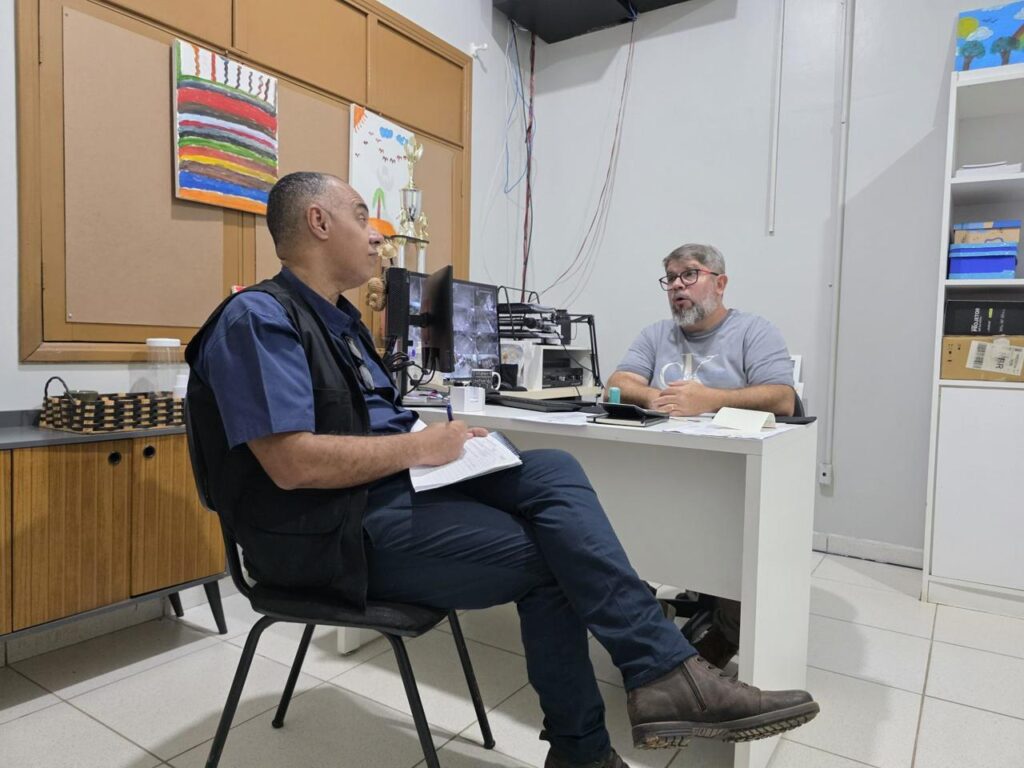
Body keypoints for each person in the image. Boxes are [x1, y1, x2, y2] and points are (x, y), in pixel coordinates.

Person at [186, 174, 818, 768]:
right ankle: (606, 731)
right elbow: (291, 463)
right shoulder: (259, 319)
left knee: (552, 468)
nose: (377, 236)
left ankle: (656, 679)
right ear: (319, 223)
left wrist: (449, 445)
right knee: (555, 557)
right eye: (361, 217)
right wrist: (419, 450)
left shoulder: (341, 323)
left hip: (374, 497)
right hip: (320, 534)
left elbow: (377, 425)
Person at [607, 243, 798, 670]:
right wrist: (656, 396)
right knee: (614, 516)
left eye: (689, 274)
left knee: (738, 545)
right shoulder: (656, 335)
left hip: (730, 478)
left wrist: (709, 399)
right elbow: (616, 383)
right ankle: (643, 624)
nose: (678, 286)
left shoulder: (754, 331)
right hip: (660, 472)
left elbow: (783, 398)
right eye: (671, 278)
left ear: (720, 282)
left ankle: (721, 638)